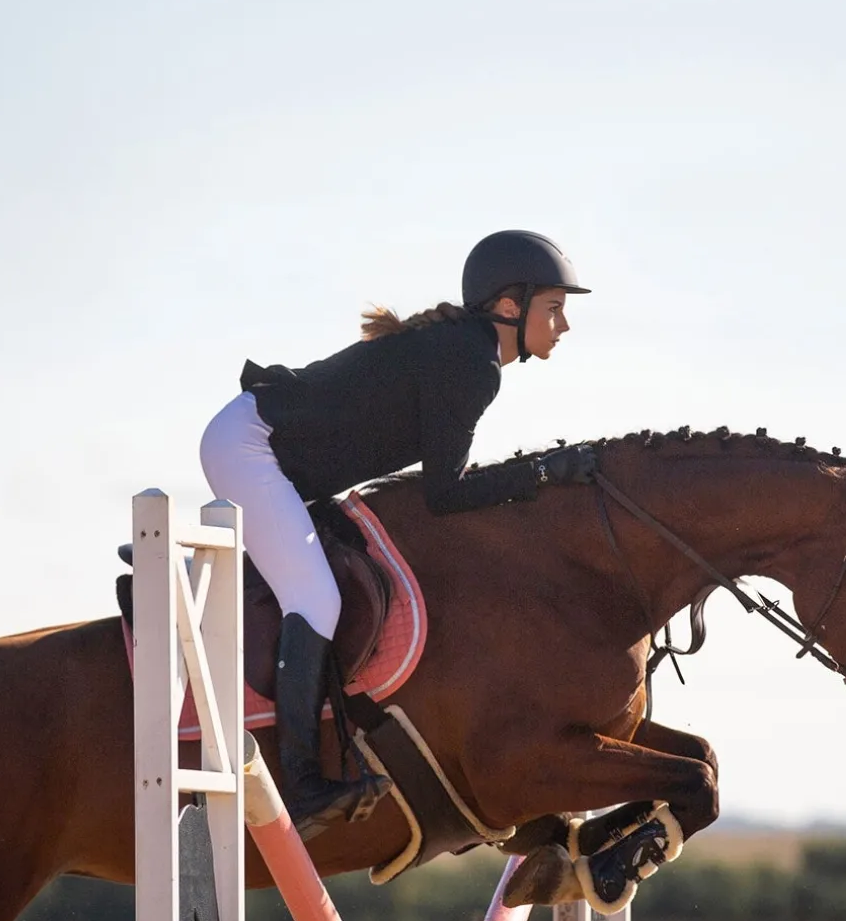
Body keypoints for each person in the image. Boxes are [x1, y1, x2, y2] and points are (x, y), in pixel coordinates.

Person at [199, 229, 598, 839]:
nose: (564, 326)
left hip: (274, 455)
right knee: (318, 599)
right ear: (509, 307)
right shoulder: (470, 364)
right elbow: (446, 494)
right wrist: (545, 472)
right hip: (250, 448)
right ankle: (301, 786)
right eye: (554, 308)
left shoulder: (465, 352)